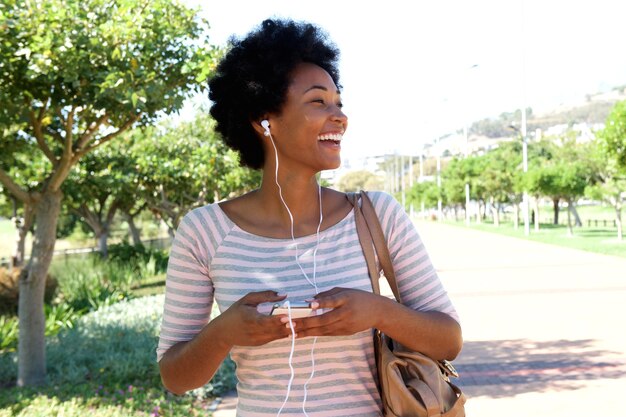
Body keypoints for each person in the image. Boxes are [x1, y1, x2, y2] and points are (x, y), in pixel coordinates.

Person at [157, 18, 462, 416]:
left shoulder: (375, 214)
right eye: (319, 102)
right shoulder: (204, 232)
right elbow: (175, 377)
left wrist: (376, 311)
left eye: (339, 102)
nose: (339, 116)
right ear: (264, 120)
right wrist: (224, 332)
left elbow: (449, 339)